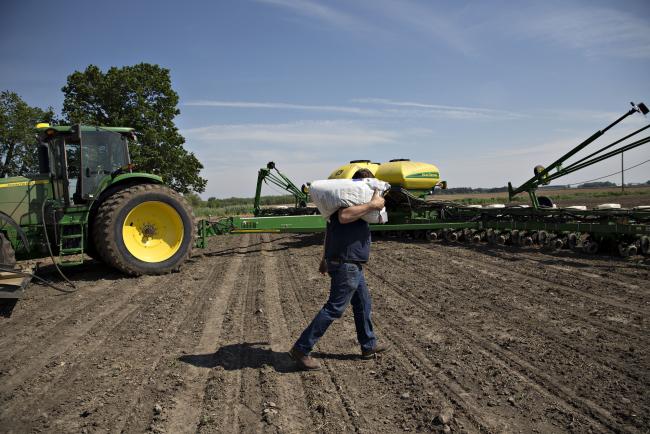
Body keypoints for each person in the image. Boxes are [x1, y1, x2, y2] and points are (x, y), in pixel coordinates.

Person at [289, 169, 390, 370]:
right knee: (335, 307)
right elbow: (344, 217)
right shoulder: (347, 204)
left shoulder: (345, 203)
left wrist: (323, 258)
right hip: (347, 262)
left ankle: (368, 346)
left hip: (349, 262)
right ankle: (301, 348)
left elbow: (330, 230)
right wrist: (372, 204)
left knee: (362, 303)